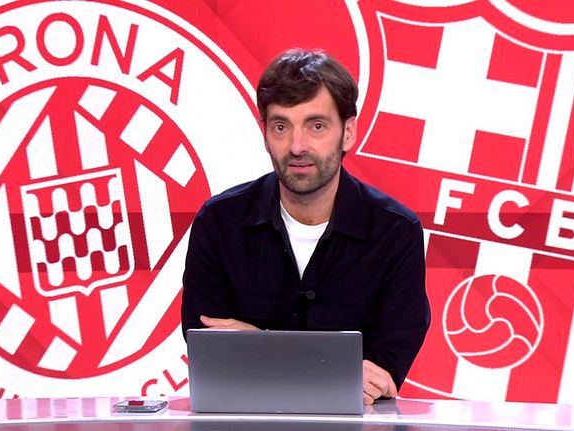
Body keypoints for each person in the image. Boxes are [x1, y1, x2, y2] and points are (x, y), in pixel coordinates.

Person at [181, 48, 430, 405]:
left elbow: (380, 375)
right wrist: (335, 372)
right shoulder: (219, 222)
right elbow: (212, 352)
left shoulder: (395, 232)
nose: (297, 147)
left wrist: (259, 346)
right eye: (281, 127)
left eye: (316, 126)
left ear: (348, 132)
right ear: (265, 133)